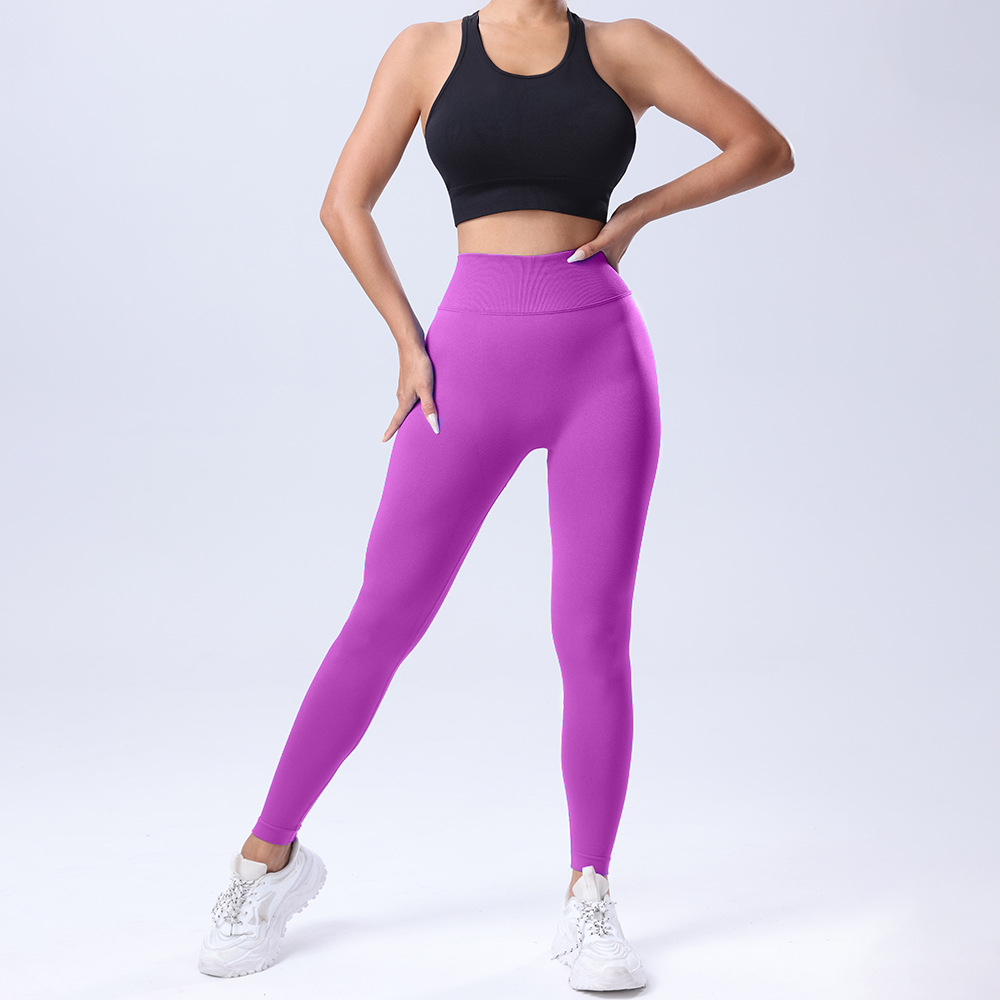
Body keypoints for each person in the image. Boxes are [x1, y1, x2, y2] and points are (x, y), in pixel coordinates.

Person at [197, 0, 794, 991]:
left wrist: (637, 213)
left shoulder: (624, 48)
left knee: (592, 633)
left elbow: (762, 147)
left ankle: (589, 891)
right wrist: (406, 342)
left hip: (602, 366)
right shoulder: (427, 50)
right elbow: (343, 203)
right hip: (464, 365)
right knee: (383, 615)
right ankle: (266, 861)